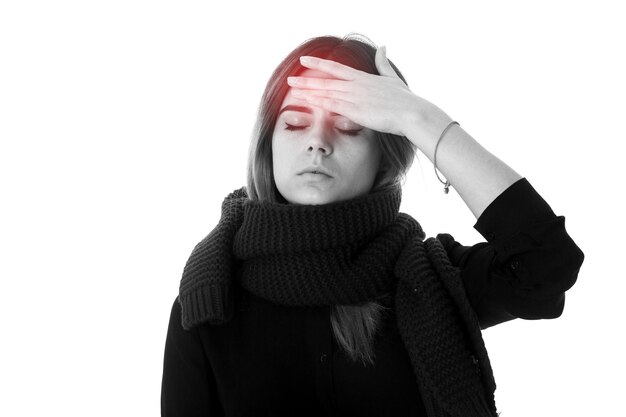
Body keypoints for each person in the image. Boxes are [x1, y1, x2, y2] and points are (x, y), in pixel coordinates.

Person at [160, 34, 584, 417]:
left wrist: (419, 119)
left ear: (385, 154)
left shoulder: (431, 279)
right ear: (268, 145)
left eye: (348, 126)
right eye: (294, 123)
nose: (317, 142)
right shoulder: (209, 296)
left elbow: (546, 265)